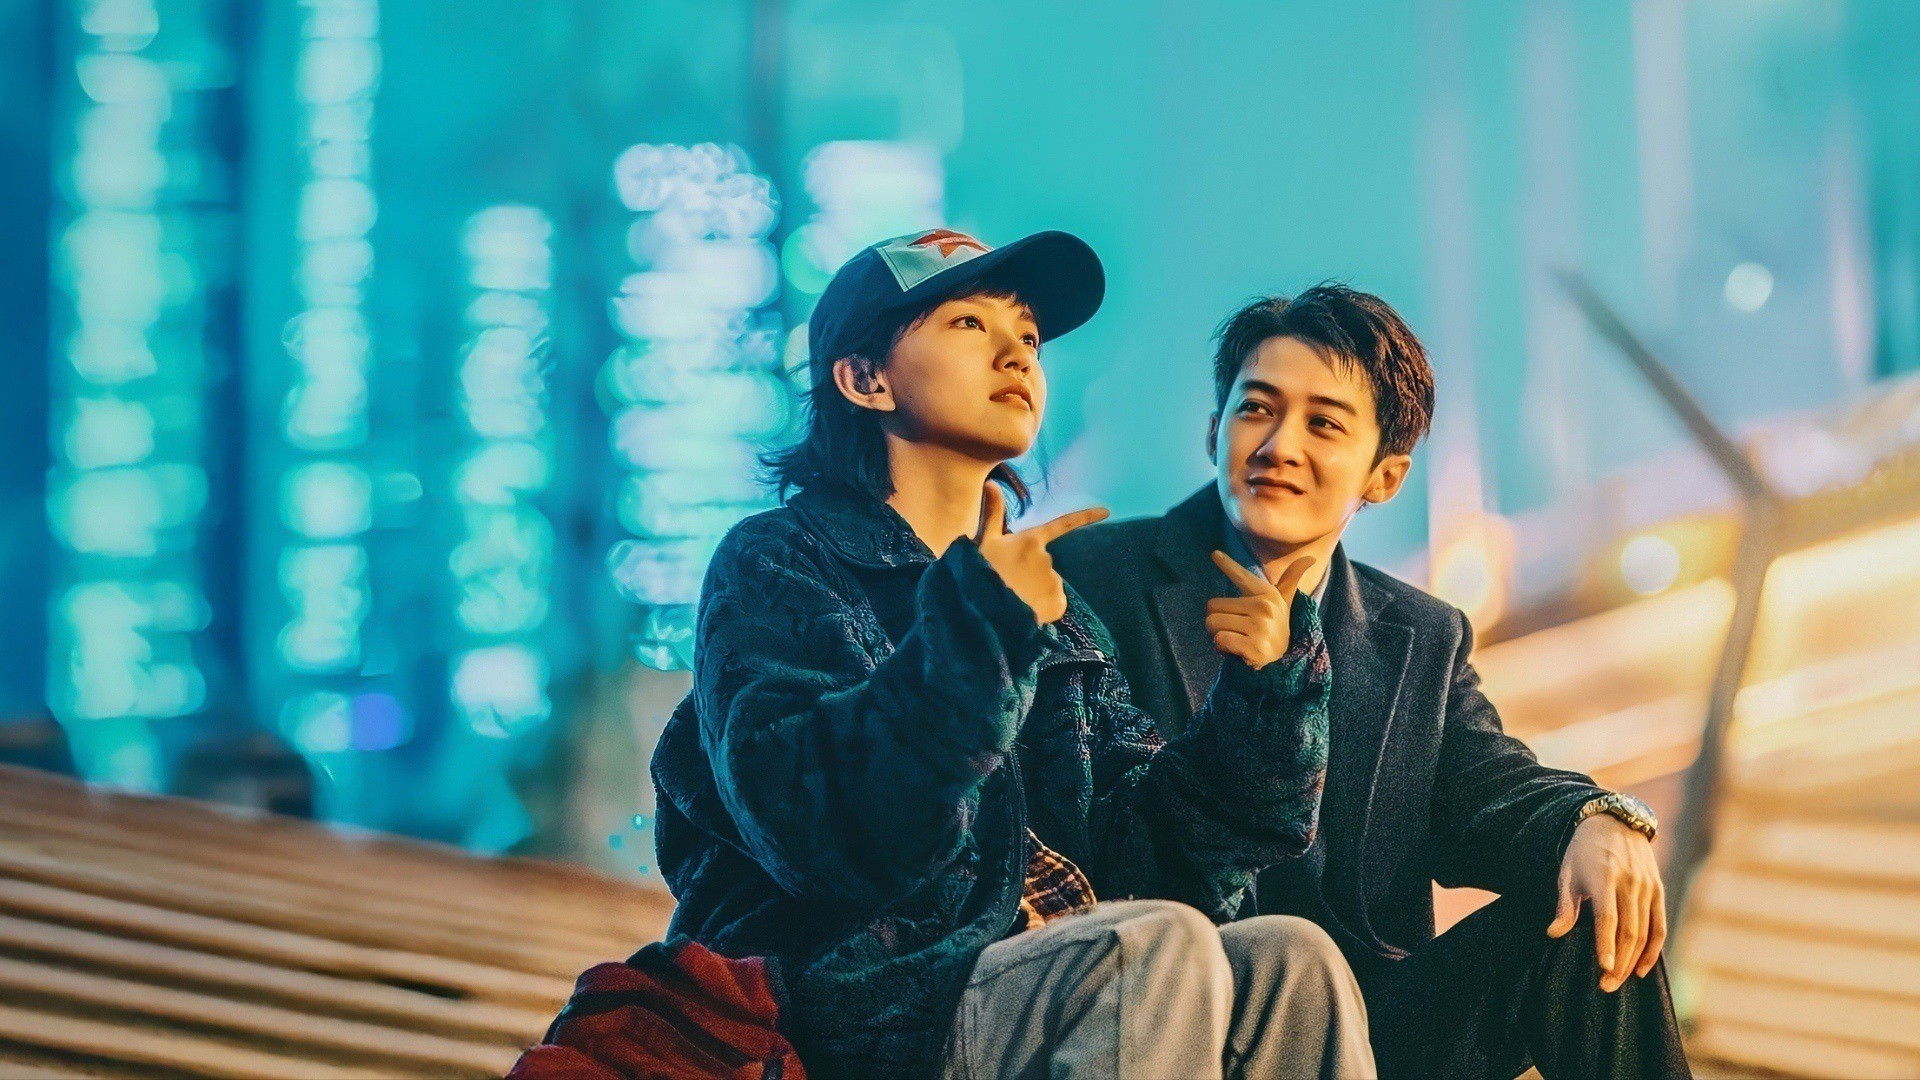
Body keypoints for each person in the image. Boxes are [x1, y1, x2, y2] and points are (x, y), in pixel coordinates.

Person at [650, 231, 1375, 1078]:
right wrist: (980, 629)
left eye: (1027, 336)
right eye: (968, 324)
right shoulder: (779, 563)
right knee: (1153, 946)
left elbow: (1155, 861)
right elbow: (817, 830)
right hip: (873, 1011)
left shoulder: (1056, 611)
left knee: (1293, 960)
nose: (1017, 354)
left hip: (1049, 982)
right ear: (864, 378)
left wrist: (1267, 699)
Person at [1054, 283, 1691, 1079]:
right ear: (1214, 430)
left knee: (1593, 924)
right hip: (1175, 1020)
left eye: (1323, 423)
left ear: (1385, 476)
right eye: (1257, 409)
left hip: (1370, 1032)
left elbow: (1491, 787)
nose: (1280, 445)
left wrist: (1594, 819)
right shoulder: (1093, 578)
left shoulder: (1421, 635)